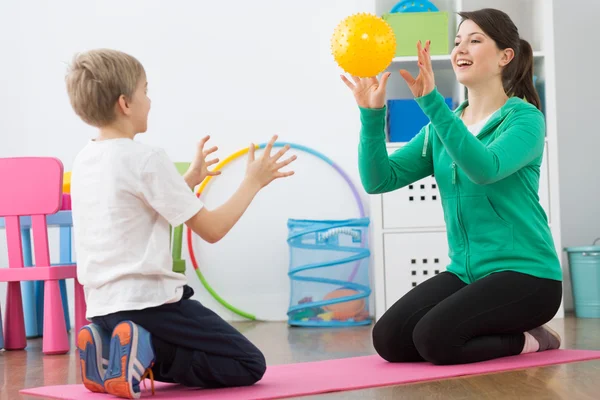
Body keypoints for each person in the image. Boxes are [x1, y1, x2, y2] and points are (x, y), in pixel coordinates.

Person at [66, 48, 296, 398]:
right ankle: (143, 355)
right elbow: (213, 230)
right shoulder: (146, 158)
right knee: (248, 364)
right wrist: (253, 181)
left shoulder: (85, 160)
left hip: (102, 310)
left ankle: (111, 354)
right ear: (125, 103)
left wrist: (185, 180)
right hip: (149, 305)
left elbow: (130, 205)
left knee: (206, 349)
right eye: (146, 90)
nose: (150, 100)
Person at [342, 8, 563, 365]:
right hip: (466, 273)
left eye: (475, 41)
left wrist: (432, 104)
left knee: (435, 338)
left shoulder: (524, 120)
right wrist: (371, 115)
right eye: (458, 41)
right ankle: (507, 333)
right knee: (389, 339)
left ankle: (531, 340)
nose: (461, 48)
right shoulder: (442, 128)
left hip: (528, 276)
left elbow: (485, 168)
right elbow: (379, 179)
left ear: (506, 57)